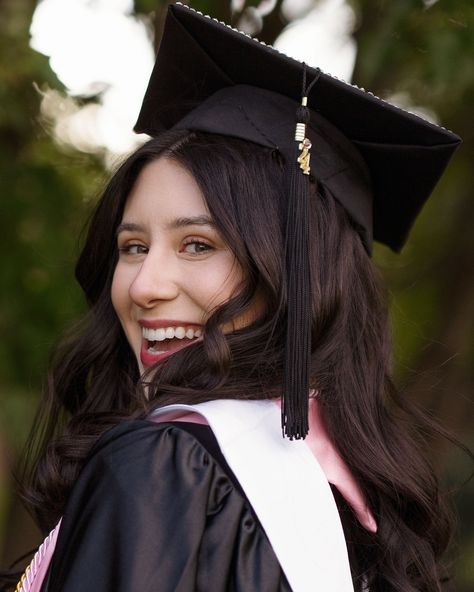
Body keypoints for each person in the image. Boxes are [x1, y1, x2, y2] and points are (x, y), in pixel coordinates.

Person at [4, 3, 463, 592]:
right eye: (133, 247)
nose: (146, 287)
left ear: (297, 270)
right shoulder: (363, 510)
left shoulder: (165, 463)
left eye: (197, 245)